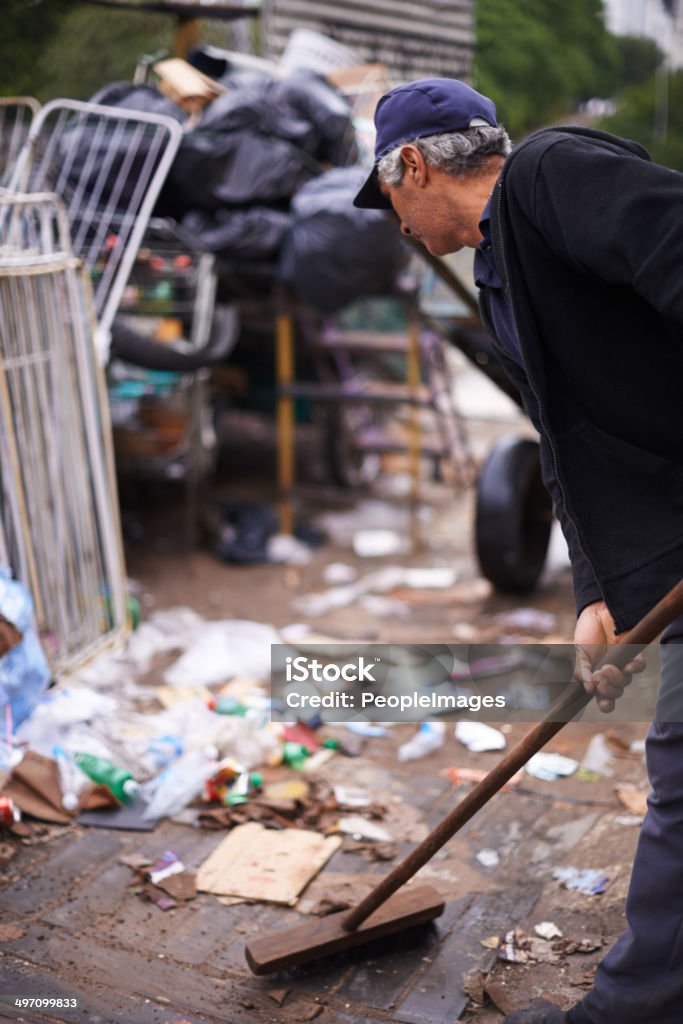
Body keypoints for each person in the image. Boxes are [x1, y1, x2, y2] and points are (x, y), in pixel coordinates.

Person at [354, 77, 683, 1024]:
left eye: (389, 200)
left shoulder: (548, 174)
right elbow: (571, 448)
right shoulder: (502, 274)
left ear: (414, 164)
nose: (397, 224)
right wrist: (595, 592)